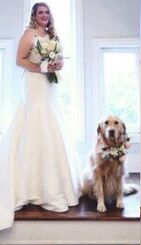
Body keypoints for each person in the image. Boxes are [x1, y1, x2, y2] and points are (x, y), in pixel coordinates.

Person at [0, 2, 82, 230]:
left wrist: (57, 64)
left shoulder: (52, 35)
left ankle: (56, 182)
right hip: (35, 85)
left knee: (52, 119)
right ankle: (31, 187)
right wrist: (43, 68)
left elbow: (59, 61)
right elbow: (20, 60)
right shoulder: (29, 34)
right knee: (37, 120)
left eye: (47, 12)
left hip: (50, 87)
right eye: (40, 12)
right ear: (34, 16)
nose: (44, 15)